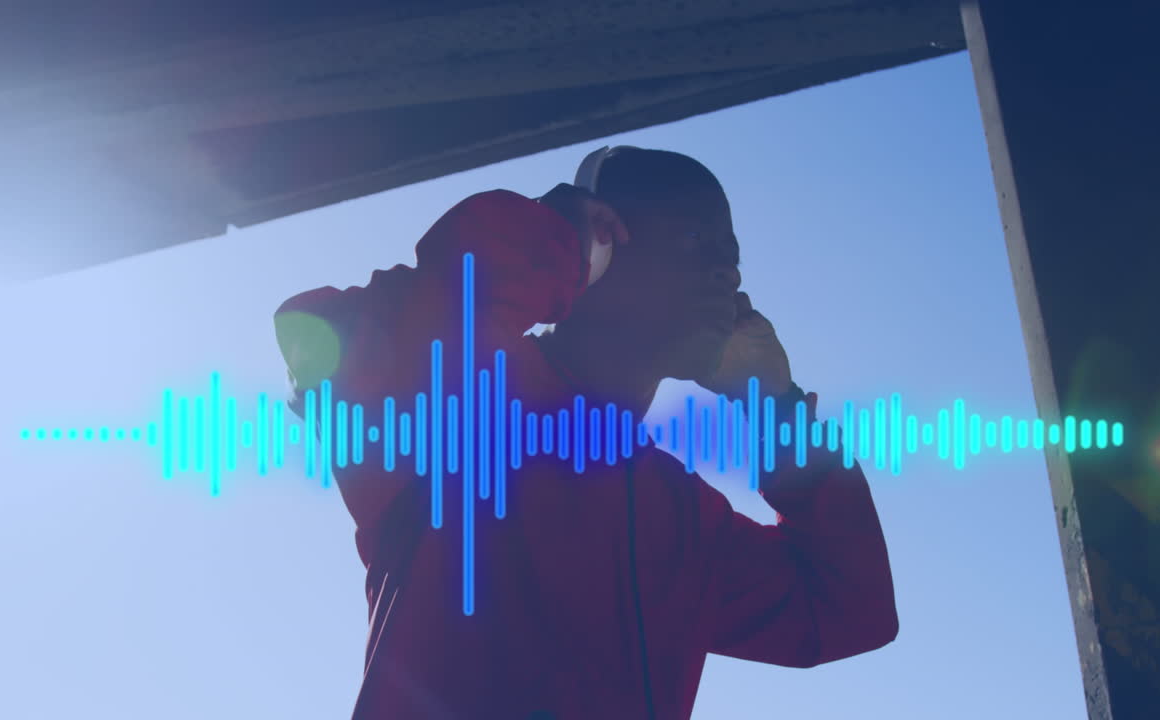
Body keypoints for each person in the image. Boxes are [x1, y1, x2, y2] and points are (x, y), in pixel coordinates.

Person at [274, 147, 898, 719]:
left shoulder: (680, 519)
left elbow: (847, 607)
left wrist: (778, 411)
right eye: (694, 238)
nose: (724, 271)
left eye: (730, 254)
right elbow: (327, 332)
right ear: (601, 247)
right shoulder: (464, 402)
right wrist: (550, 239)